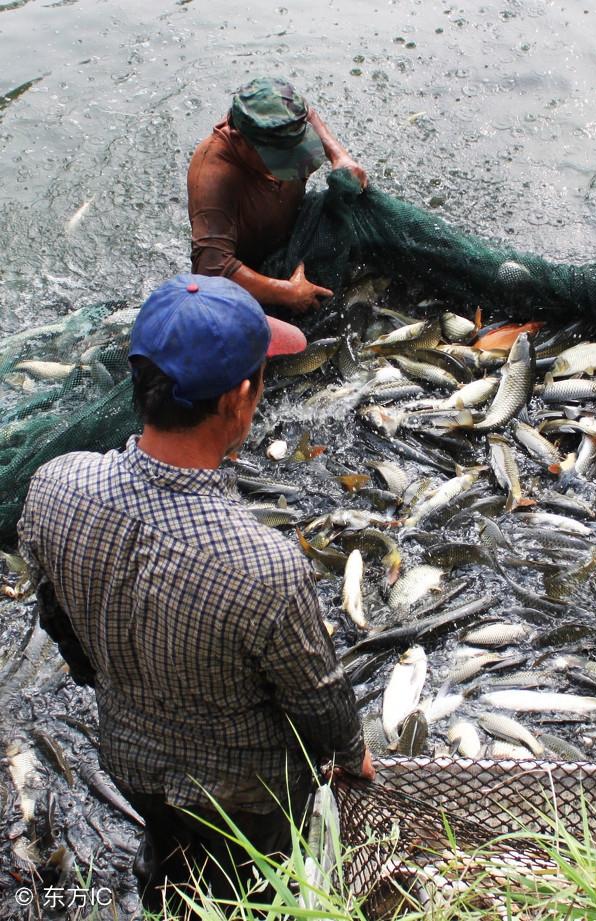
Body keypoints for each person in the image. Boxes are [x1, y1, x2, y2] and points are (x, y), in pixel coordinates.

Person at [18, 274, 373, 912]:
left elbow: (55, 613)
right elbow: (317, 696)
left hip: (126, 753)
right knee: (251, 887)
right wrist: (351, 754)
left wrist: (104, 676)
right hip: (243, 791)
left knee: (170, 855)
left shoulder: (54, 484)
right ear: (240, 397)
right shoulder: (262, 566)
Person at [187, 76, 368, 314]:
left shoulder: (287, 118)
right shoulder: (214, 175)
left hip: (293, 229)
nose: (284, 167)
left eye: (294, 150)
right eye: (276, 158)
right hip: (254, 269)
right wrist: (286, 292)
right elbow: (211, 268)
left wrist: (339, 156)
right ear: (240, 141)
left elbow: (307, 113)